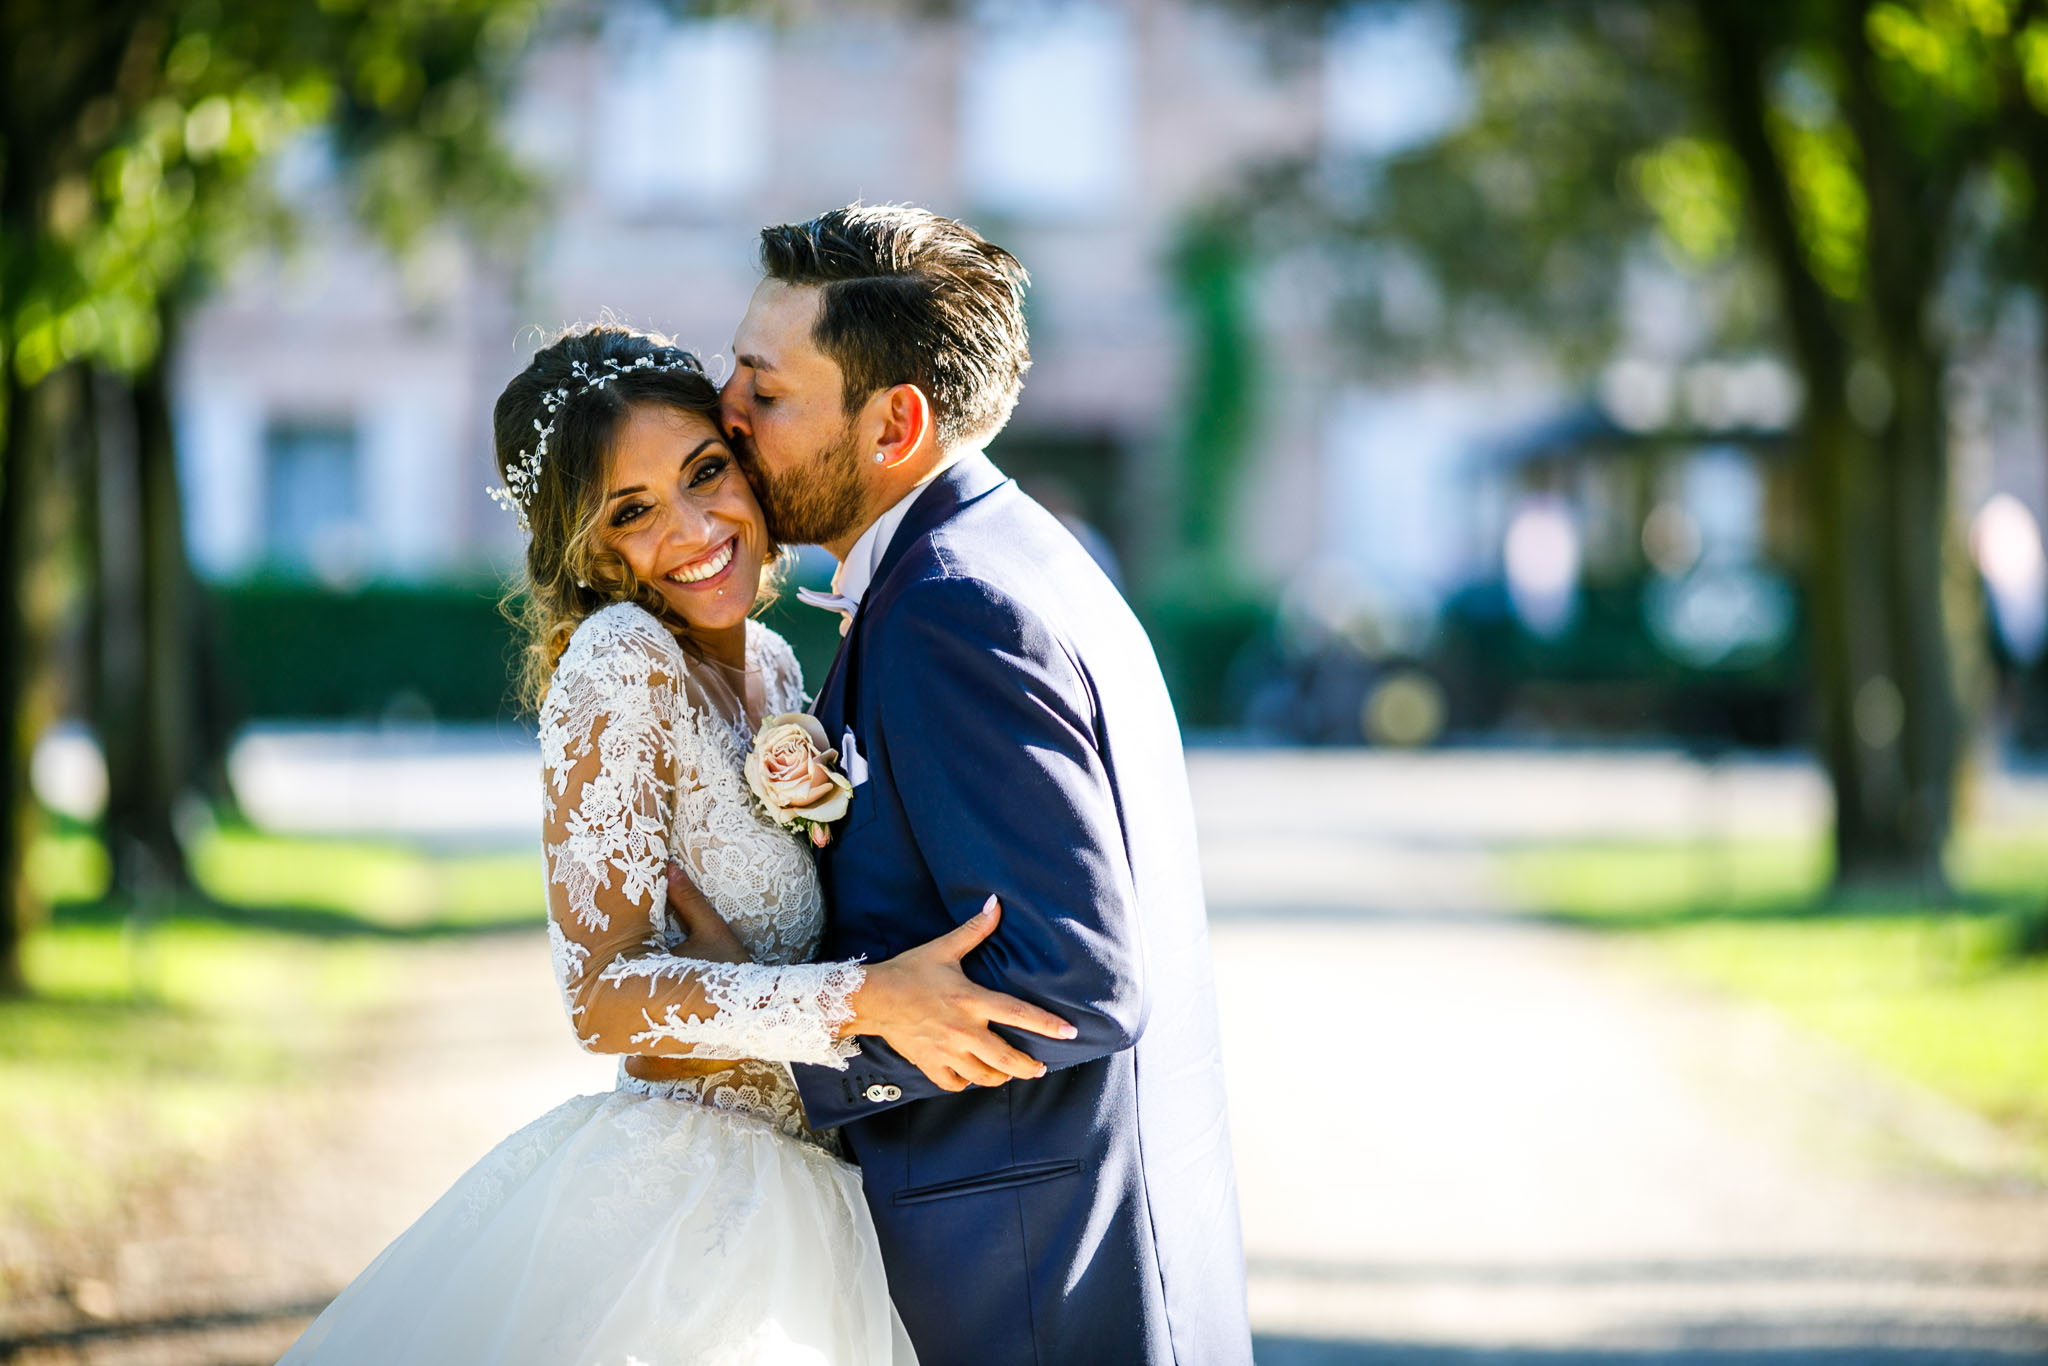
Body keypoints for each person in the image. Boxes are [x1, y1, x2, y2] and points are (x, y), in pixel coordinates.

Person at [275, 326, 1077, 1366]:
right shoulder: (620, 663)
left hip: (814, 1179)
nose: (696, 528)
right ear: (595, 547)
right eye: (634, 511)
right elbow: (601, 996)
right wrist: (861, 1001)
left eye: (706, 471)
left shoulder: (778, 669)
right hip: (688, 1195)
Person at [717, 203, 1253, 1366]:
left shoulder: (955, 605)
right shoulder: (1002, 557)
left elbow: (1077, 976)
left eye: (766, 390)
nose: (728, 413)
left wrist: (809, 1051)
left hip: (1026, 1283)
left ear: (892, 422)